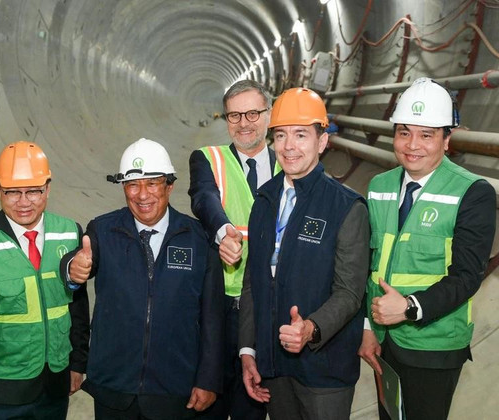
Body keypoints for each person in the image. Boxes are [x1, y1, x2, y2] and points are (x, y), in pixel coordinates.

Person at [358, 77, 496, 420]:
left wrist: (408, 307)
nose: (412, 145)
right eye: (404, 132)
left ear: (447, 140)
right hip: (384, 340)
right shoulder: (379, 186)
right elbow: (369, 264)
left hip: (434, 346)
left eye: (427, 135)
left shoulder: (472, 193)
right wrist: (367, 327)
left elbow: (467, 276)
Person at [67, 138, 224, 419]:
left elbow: (212, 315)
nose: (142, 195)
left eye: (152, 183)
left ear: (169, 186)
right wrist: (71, 269)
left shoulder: (198, 238)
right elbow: (76, 262)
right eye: (132, 185)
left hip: (174, 390)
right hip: (114, 389)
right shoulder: (103, 230)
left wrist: (209, 379)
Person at [238, 88, 369, 420]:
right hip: (273, 362)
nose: (289, 146)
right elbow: (253, 281)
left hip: (324, 369)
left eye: (300, 135)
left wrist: (311, 328)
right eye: (281, 135)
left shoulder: (346, 206)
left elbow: (350, 292)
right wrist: (248, 349)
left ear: (322, 142)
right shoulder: (264, 200)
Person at [0, 141, 89, 420]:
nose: (23, 202)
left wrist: (78, 362)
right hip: (0, 389)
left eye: (33, 191)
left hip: (55, 384)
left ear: (48, 188)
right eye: (12, 192)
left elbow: (77, 306)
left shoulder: (70, 232)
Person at [189, 79, 279, 419]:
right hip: (220, 307)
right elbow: (204, 197)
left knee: (253, 405)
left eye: (253, 113)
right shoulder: (208, 158)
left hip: (268, 308)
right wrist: (222, 231)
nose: (244, 123)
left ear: (269, 115)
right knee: (210, 402)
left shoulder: (289, 163)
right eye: (234, 115)